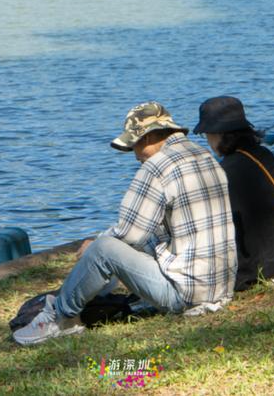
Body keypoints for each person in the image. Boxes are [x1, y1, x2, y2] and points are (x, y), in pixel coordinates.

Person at [13, 101, 237, 346]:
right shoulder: (203, 155)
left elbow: (129, 235)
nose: (135, 154)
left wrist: (94, 246)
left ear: (149, 136)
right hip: (221, 288)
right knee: (119, 246)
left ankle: (61, 318)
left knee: (103, 249)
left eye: (134, 144)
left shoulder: (157, 166)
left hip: (186, 295)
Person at [194, 96, 274, 290]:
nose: (208, 141)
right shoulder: (263, 154)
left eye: (206, 134)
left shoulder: (226, 171)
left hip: (267, 268)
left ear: (218, 133)